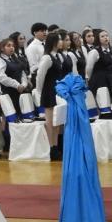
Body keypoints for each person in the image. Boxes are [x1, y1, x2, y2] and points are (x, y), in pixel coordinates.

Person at [34, 30, 69, 161]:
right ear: (53, 42)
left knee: (57, 122)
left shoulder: (57, 56)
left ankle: (55, 146)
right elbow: (40, 76)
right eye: (59, 40)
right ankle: (50, 148)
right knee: (50, 122)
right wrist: (39, 92)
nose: (61, 42)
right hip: (49, 91)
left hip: (57, 91)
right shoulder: (47, 58)